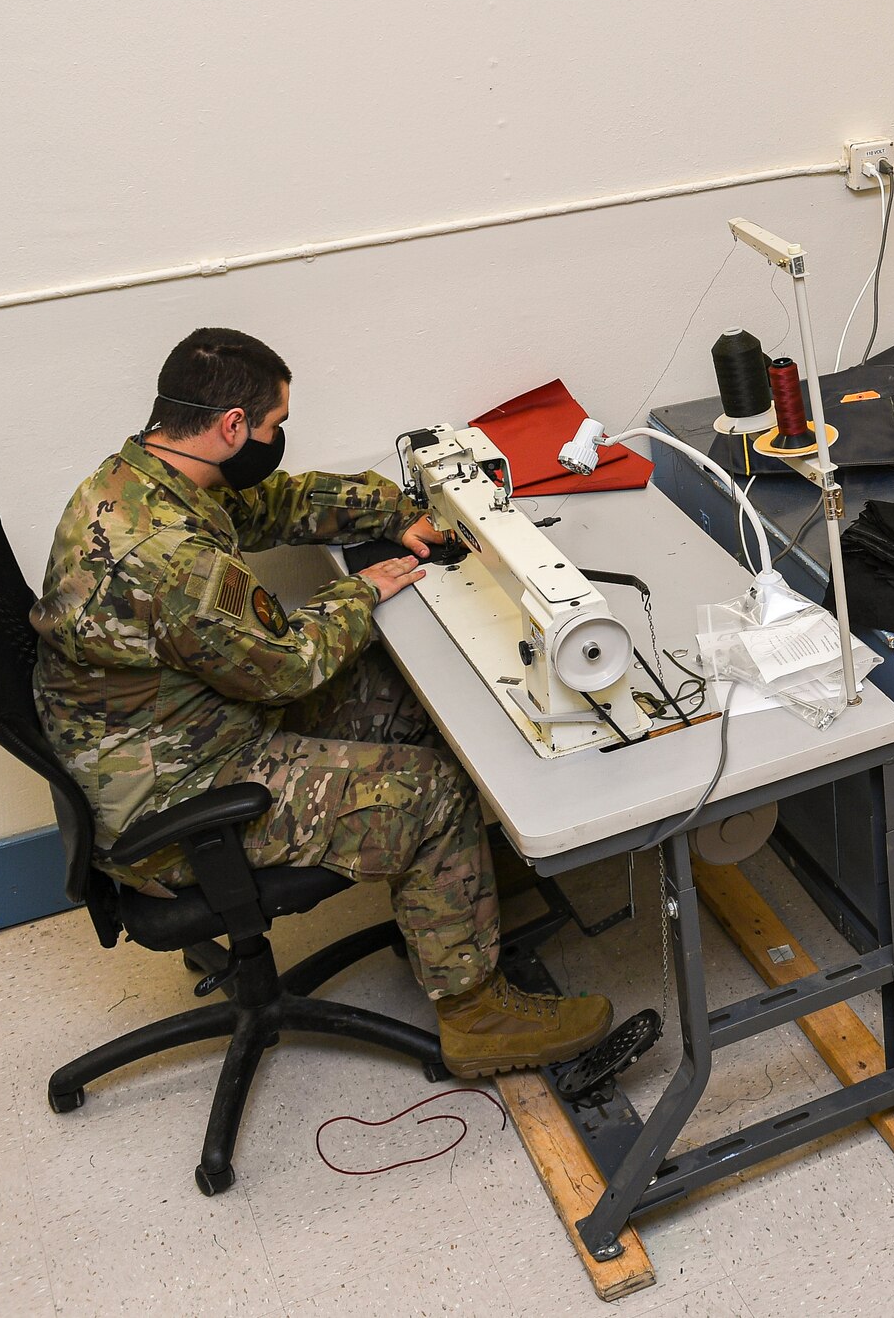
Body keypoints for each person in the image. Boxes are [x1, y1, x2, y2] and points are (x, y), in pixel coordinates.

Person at [31, 327, 612, 1077]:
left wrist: (390, 510)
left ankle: (450, 906)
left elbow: (273, 503)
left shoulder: (138, 480)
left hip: (172, 731)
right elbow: (291, 666)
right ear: (233, 426)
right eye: (273, 426)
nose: (276, 440)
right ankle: (477, 1014)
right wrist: (363, 587)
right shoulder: (172, 560)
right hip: (174, 795)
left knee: (404, 701)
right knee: (431, 794)